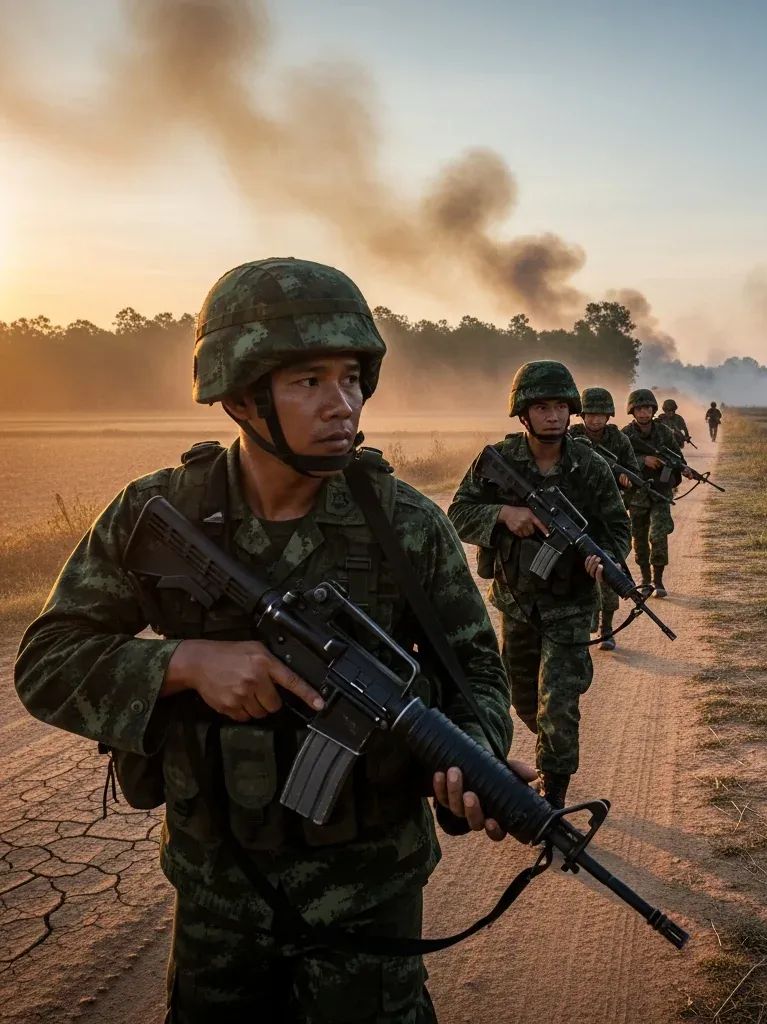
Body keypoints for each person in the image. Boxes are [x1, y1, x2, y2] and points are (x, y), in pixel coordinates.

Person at [15, 257, 522, 1024]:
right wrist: (183, 663)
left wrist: (473, 759)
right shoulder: (161, 511)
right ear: (242, 395)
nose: (341, 403)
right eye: (308, 381)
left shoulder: (405, 522)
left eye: (351, 377)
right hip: (219, 888)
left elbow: (476, 668)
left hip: (369, 890)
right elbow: (47, 662)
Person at [448, 362, 630, 810]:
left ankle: (553, 792)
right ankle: (549, 748)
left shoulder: (590, 465)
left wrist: (603, 560)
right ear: (523, 414)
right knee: (523, 697)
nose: (553, 415)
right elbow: (457, 512)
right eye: (542, 406)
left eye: (561, 406)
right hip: (517, 601)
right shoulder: (500, 459)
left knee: (558, 705)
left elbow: (617, 529)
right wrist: (503, 516)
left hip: (570, 604)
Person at [567, 386, 641, 651]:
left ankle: (607, 628)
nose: (596, 420)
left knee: (609, 571)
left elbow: (632, 470)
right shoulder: (570, 437)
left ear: (609, 415)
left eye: (601, 415)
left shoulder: (619, 440)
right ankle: (585, 627)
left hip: (608, 516)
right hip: (575, 514)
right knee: (578, 574)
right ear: (582, 414)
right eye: (591, 414)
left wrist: (626, 480)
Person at [622, 388, 683, 598]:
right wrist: (643, 460)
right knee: (638, 537)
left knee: (658, 535)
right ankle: (645, 579)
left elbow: (678, 457)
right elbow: (617, 462)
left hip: (660, 493)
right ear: (632, 411)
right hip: (637, 495)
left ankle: (658, 579)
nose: (643, 412)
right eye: (639, 408)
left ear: (653, 409)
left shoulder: (664, 432)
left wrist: (675, 466)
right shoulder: (625, 435)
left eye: (647, 408)